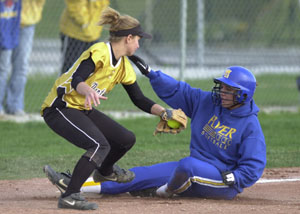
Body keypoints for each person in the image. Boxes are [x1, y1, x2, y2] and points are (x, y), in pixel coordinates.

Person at [45, 58, 267, 200]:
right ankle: (76, 185)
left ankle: (165, 191)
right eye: (222, 87)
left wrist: (233, 179)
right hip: (189, 170)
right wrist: (152, 73)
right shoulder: (208, 101)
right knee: (137, 175)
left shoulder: (250, 126)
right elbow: (180, 90)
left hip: (222, 180)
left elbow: (254, 165)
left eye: (229, 90)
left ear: (243, 95)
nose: (222, 92)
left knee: (187, 166)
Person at [42, 7, 169, 210]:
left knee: (125, 139)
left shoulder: (124, 66)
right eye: (138, 39)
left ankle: (104, 171)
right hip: (59, 108)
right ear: (128, 38)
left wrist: (164, 112)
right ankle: (70, 196)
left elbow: (138, 98)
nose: (139, 43)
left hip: (81, 108)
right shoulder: (100, 52)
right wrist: (87, 91)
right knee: (100, 145)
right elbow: (77, 79)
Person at [0, 0, 46, 115]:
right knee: (3, 66)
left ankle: (15, 106)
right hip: (6, 19)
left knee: (21, 66)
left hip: (26, 23)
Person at [59, 0, 109, 74]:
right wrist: (84, 23)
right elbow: (75, 4)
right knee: (69, 71)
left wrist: (94, 26)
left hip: (93, 34)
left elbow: (103, 6)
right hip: (75, 34)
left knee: (89, 70)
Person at [0, 0, 21, 115]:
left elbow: (14, 24)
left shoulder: (16, 4)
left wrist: (10, 41)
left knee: (3, 71)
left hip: (6, 43)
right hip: (4, 41)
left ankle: (7, 105)